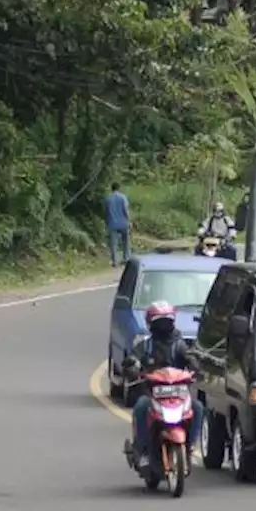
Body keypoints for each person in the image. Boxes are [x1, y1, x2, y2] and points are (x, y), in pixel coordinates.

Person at [124, 302, 204, 468]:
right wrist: (132, 365)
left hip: (179, 396)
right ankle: (144, 450)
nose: (163, 325)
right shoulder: (145, 346)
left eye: (166, 321)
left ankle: (190, 447)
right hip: (152, 395)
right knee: (140, 406)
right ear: (150, 323)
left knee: (197, 407)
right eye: (158, 321)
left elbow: (190, 357)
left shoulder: (180, 344)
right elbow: (132, 360)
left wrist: (194, 363)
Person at [104, 182, 131, 267]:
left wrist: (107, 222)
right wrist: (129, 221)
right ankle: (126, 258)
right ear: (119, 188)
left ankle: (115, 261)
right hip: (123, 223)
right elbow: (126, 210)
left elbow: (106, 212)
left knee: (113, 244)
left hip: (112, 224)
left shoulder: (108, 198)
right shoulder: (123, 197)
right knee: (126, 241)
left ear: (111, 189)